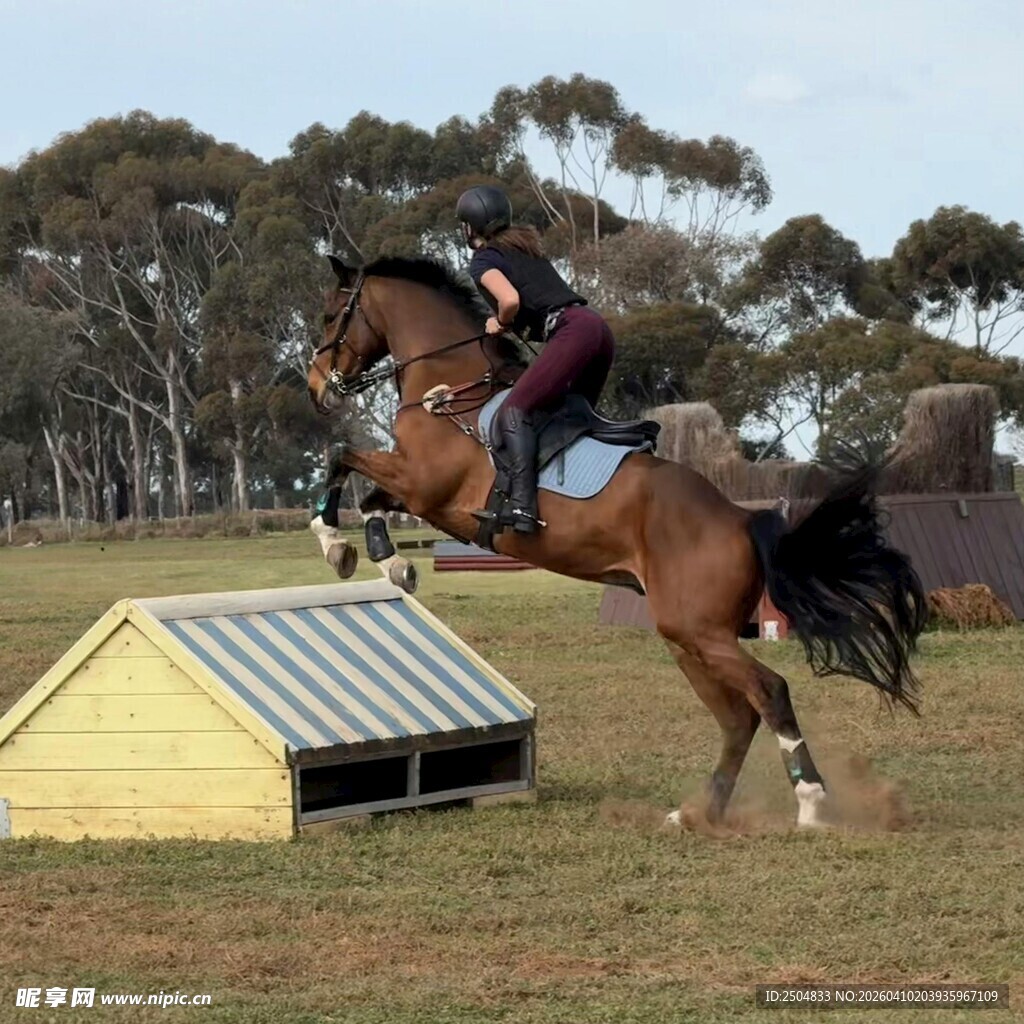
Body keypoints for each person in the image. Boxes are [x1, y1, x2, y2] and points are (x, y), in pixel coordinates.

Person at [457, 184, 616, 535]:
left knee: (513, 412)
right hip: (597, 330)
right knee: (570, 416)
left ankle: (523, 507)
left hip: (572, 331)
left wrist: (500, 322)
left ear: (469, 227)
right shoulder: (525, 248)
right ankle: (578, 498)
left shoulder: (483, 260)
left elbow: (510, 300)